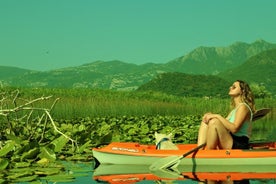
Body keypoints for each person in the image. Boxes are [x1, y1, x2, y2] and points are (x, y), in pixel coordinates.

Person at [197, 80, 255, 150]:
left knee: (214, 122)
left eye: (234, 87)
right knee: (206, 121)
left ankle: (208, 153)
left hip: (239, 143)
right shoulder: (234, 110)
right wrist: (210, 116)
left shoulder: (243, 107)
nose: (230, 88)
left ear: (242, 91)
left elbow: (234, 129)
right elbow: (224, 125)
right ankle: (199, 150)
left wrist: (217, 116)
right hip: (230, 139)